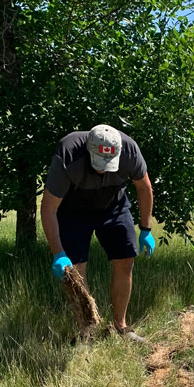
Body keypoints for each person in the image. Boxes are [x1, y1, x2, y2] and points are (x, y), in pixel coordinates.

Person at [41, 124, 155, 343]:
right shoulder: (68, 154)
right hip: (73, 210)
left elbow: (144, 187)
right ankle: (86, 331)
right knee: (75, 270)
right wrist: (58, 253)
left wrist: (146, 229)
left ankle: (121, 327)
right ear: (88, 149)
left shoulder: (129, 151)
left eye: (108, 165)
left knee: (125, 260)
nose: (103, 169)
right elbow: (48, 208)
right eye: (98, 163)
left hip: (113, 205)